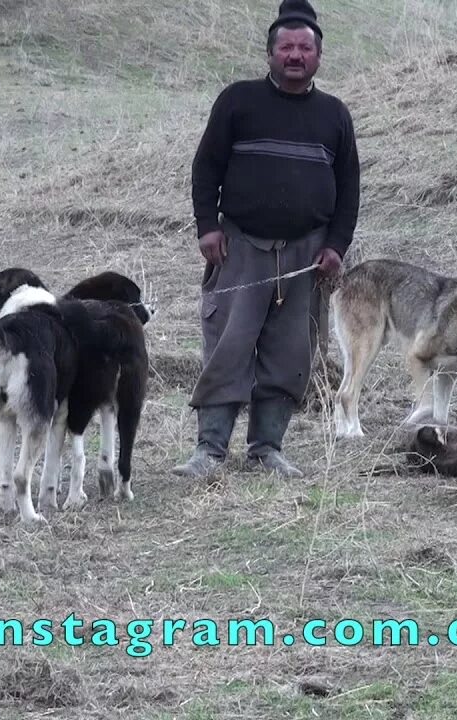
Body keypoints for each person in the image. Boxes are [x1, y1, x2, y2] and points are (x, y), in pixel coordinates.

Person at [172, 0, 360, 479]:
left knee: (291, 352)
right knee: (228, 344)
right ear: (270, 54)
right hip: (240, 247)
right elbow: (205, 168)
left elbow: (350, 189)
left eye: (304, 48)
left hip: (306, 256)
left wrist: (335, 246)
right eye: (286, 47)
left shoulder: (334, 116)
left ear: (319, 56)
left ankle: (267, 449)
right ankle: (209, 451)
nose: (295, 55)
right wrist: (206, 226)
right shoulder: (237, 101)